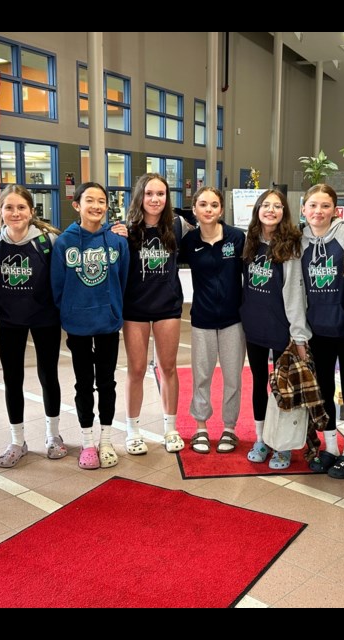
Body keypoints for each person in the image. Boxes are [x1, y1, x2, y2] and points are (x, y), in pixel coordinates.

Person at [51, 182, 129, 470]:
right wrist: (69, 311)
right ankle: (86, 442)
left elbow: (122, 278)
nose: (96, 206)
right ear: (77, 205)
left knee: (107, 382)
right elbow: (57, 285)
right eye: (90, 201)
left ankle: (105, 439)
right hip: (78, 323)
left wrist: (113, 308)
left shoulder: (118, 241)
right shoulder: (64, 242)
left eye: (101, 201)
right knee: (83, 383)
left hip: (108, 322)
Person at [0, 185, 65, 469]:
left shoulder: (49, 241)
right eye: (8, 207)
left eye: (21, 207)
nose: (15, 213)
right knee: (13, 380)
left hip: (45, 318)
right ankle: (17, 440)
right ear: (0, 211)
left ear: (32, 211)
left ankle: (53, 435)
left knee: (49, 376)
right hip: (10, 320)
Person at [121, 173, 193, 455]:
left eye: (160, 194)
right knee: (136, 369)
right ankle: (132, 430)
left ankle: (170, 428)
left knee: (169, 368)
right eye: (149, 193)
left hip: (167, 307)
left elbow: (211, 230)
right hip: (135, 307)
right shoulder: (126, 229)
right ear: (140, 196)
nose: (155, 199)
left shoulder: (177, 225)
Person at [240, 188, 311, 470]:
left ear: (284, 213)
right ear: (258, 209)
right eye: (266, 205)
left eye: (277, 206)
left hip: (281, 329)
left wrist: (298, 336)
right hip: (254, 326)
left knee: (284, 389)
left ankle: (282, 445)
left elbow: (294, 294)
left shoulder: (291, 246)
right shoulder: (250, 242)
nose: (271, 210)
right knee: (259, 383)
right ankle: (261, 438)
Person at [299, 184, 344, 478]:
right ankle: (330, 447)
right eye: (313, 205)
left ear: (335, 210)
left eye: (325, 206)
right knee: (323, 391)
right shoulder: (298, 240)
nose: (318, 211)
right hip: (317, 331)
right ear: (304, 209)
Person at [179, 187, 246, 454]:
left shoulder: (236, 238)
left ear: (221, 210)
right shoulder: (189, 241)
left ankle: (229, 427)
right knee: (202, 376)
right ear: (194, 209)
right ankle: (201, 427)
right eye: (203, 204)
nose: (209, 209)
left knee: (233, 377)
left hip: (233, 319)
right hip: (202, 318)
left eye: (214, 205)